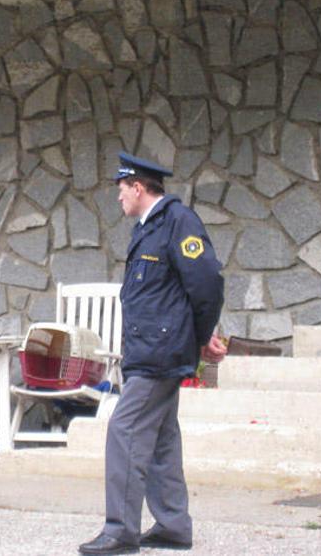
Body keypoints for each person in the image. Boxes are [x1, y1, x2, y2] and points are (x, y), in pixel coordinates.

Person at [78, 153, 227, 555]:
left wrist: (201, 336)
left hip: (160, 353)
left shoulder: (178, 222)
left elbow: (207, 282)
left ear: (139, 188)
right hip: (149, 349)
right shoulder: (149, 228)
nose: (119, 197)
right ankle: (173, 526)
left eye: (122, 189)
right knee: (161, 439)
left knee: (124, 430)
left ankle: (120, 531)